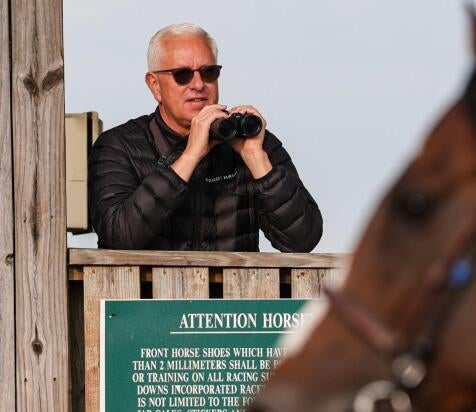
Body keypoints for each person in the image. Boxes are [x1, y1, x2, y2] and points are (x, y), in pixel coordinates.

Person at [88, 23, 322, 251]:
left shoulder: (253, 141)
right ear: (155, 85)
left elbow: (302, 240)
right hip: (150, 291)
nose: (198, 84)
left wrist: (256, 159)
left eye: (208, 72)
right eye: (182, 75)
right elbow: (118, 236)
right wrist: (190, 155)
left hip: (234, 291)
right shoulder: (118, 146)